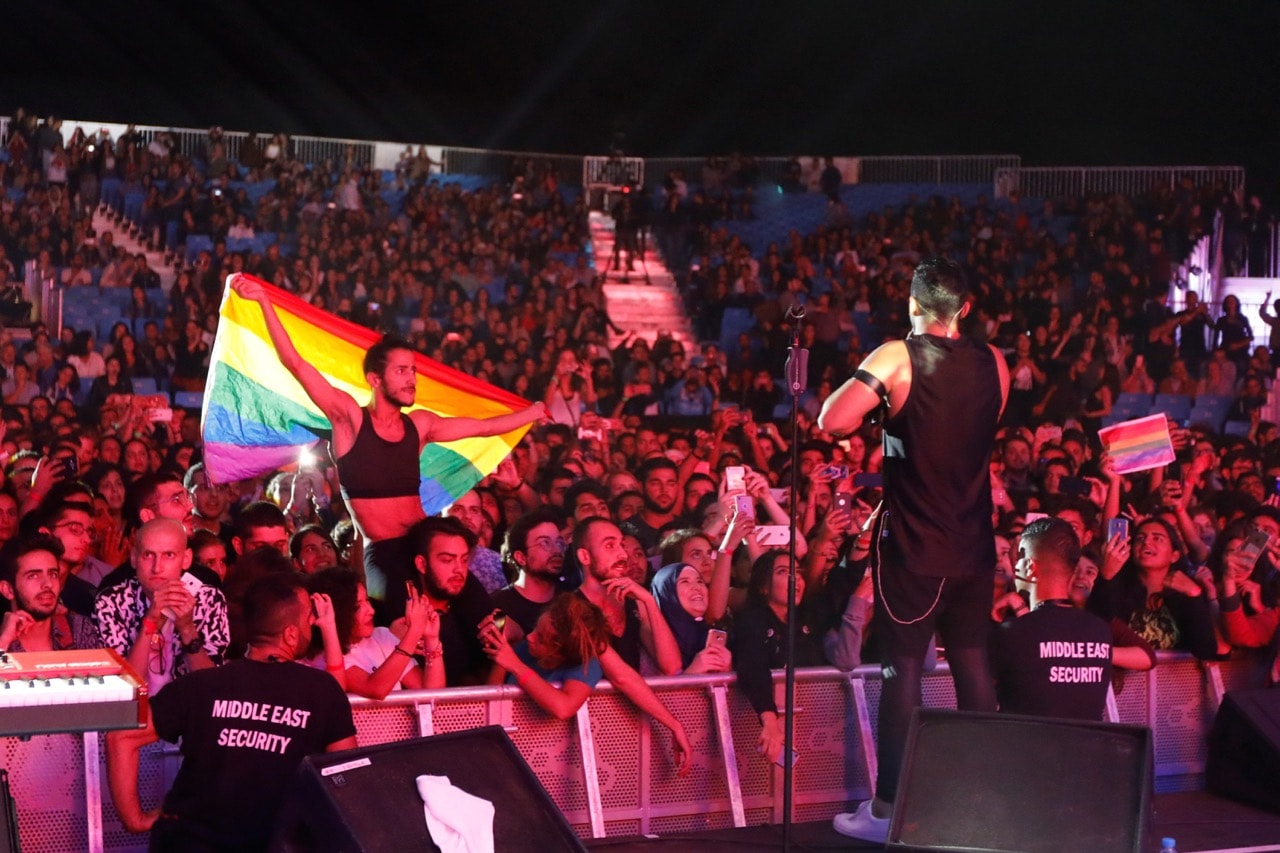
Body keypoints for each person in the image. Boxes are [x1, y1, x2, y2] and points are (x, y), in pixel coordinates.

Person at [818, 256, 1009, 843]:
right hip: (975, 545)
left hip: (916, 548)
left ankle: (887, 812)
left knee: (902, 671)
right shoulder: (995, 361)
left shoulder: (897, 355)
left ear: (912, 305)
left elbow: (831, 421)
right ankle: (987, 802)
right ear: (967, 309)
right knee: (973, 666)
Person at [231, 274, 546, 618]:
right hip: (383, 554)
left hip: (426, 544)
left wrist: (531, 412)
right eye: (401, 371)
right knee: (401, 631)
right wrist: (264, 301)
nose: (412, 378)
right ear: (375, 379)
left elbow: (484, 427)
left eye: (413, 370)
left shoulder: (421, 424)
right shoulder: (349, 419)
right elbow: (295, 363)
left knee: (482, 623)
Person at [106, 573, 357, 851]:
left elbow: (122, 736)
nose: (313, 624)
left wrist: (135, 819)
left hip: (189, 841)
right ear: (290, 634)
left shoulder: (200, 685)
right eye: (309, 616)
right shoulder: (321, 691)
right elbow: (347, 775)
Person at [480, 592, 692, 774]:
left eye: (542, 638)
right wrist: (504, 647)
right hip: (503, 755)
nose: (531, 637)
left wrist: (674, 725)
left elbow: (568, 705)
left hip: (550, 763)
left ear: (562, 652)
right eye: (536, 628)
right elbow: (490, 702)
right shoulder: (528, 644)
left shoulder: (586, 659)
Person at [989, 517, 1113, 720]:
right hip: (1086, 750)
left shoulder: (1012, 632)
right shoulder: (1100, 630)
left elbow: (980, 700)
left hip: (1022, 749)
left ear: (1028, 567)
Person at [93, 518, 230, 696]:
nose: (157, 568)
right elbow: (126, 689)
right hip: (135, 713)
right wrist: (150, 622)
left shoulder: (208, 599)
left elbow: (210, 687)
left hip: (188, 714)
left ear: (186, 559)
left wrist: (187, 628)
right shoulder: (112, 601)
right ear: (134, 558)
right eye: (148, 555)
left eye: (169, 555)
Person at [731, 550, 826, 765]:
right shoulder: (752, 622)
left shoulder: (810, 620)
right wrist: (769, 719)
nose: (796, 578)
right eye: (783, 572)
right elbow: (753, 667)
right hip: (758, 735)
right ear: (763, 586)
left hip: (817, 728)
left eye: (798, 572)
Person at [306, 567, 443, 698]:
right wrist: (413, 632)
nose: (371, 610)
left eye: (367, 600)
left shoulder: (382, 636)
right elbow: (376, 689)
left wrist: (432, 639)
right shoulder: (328, 656)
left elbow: (430, 693)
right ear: (336, 612)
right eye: (357, 607)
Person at [572, 517, 683, 676]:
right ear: (585, 556)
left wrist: (649, 601)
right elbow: (621, 677)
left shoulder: (635, 604)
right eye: (610, 546)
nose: (623, 555)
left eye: (621, 546)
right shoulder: (571, 607)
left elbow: (672, 667)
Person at [0, 532, 101, 652]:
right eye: (33, 576)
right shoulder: (3, 639)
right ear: (7, 590)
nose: (48, 584)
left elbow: (101, 670)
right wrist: (3, 642)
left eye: (53, 574)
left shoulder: (78, 629)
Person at [491, 506, 568, 636]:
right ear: (521, 557)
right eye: (544, 543)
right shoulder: (498, 606)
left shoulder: (569, 603)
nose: (556, 550)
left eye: (559, 542)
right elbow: (494, 651)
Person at [649, 562, 732, 673]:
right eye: (685, 582)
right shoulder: (653, 640)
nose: (697, 587)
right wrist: (693, 672)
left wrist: (729, 670)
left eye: (699, 581)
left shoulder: (714, 636)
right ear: (667, 592)